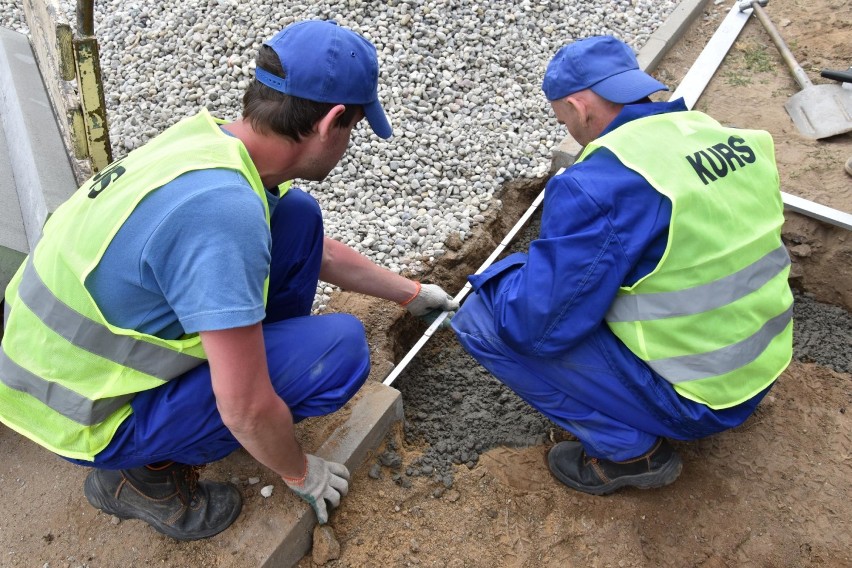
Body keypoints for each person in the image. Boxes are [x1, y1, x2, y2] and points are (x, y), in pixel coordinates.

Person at [0, 20, 457, 540]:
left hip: (52, 358)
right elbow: (243, 408)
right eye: (353, 129)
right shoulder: (223, 215)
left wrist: (413, 294)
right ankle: (143, 478)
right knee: (340, 352)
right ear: (331, 123)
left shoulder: (210, 143)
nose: (348, 142)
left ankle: (246, 378)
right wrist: (299, 471)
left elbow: (317, 251)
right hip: (80, 412)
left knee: (298, 217)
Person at [451, 35, 793, 496]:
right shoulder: (731, 139)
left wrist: (505, 277)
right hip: (759, 370)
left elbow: (535, 328)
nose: (569, 131)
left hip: (697, 402)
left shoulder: (599, 184)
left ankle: (631, 453)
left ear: (579, 107)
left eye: (563, 120)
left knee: (483, 318)